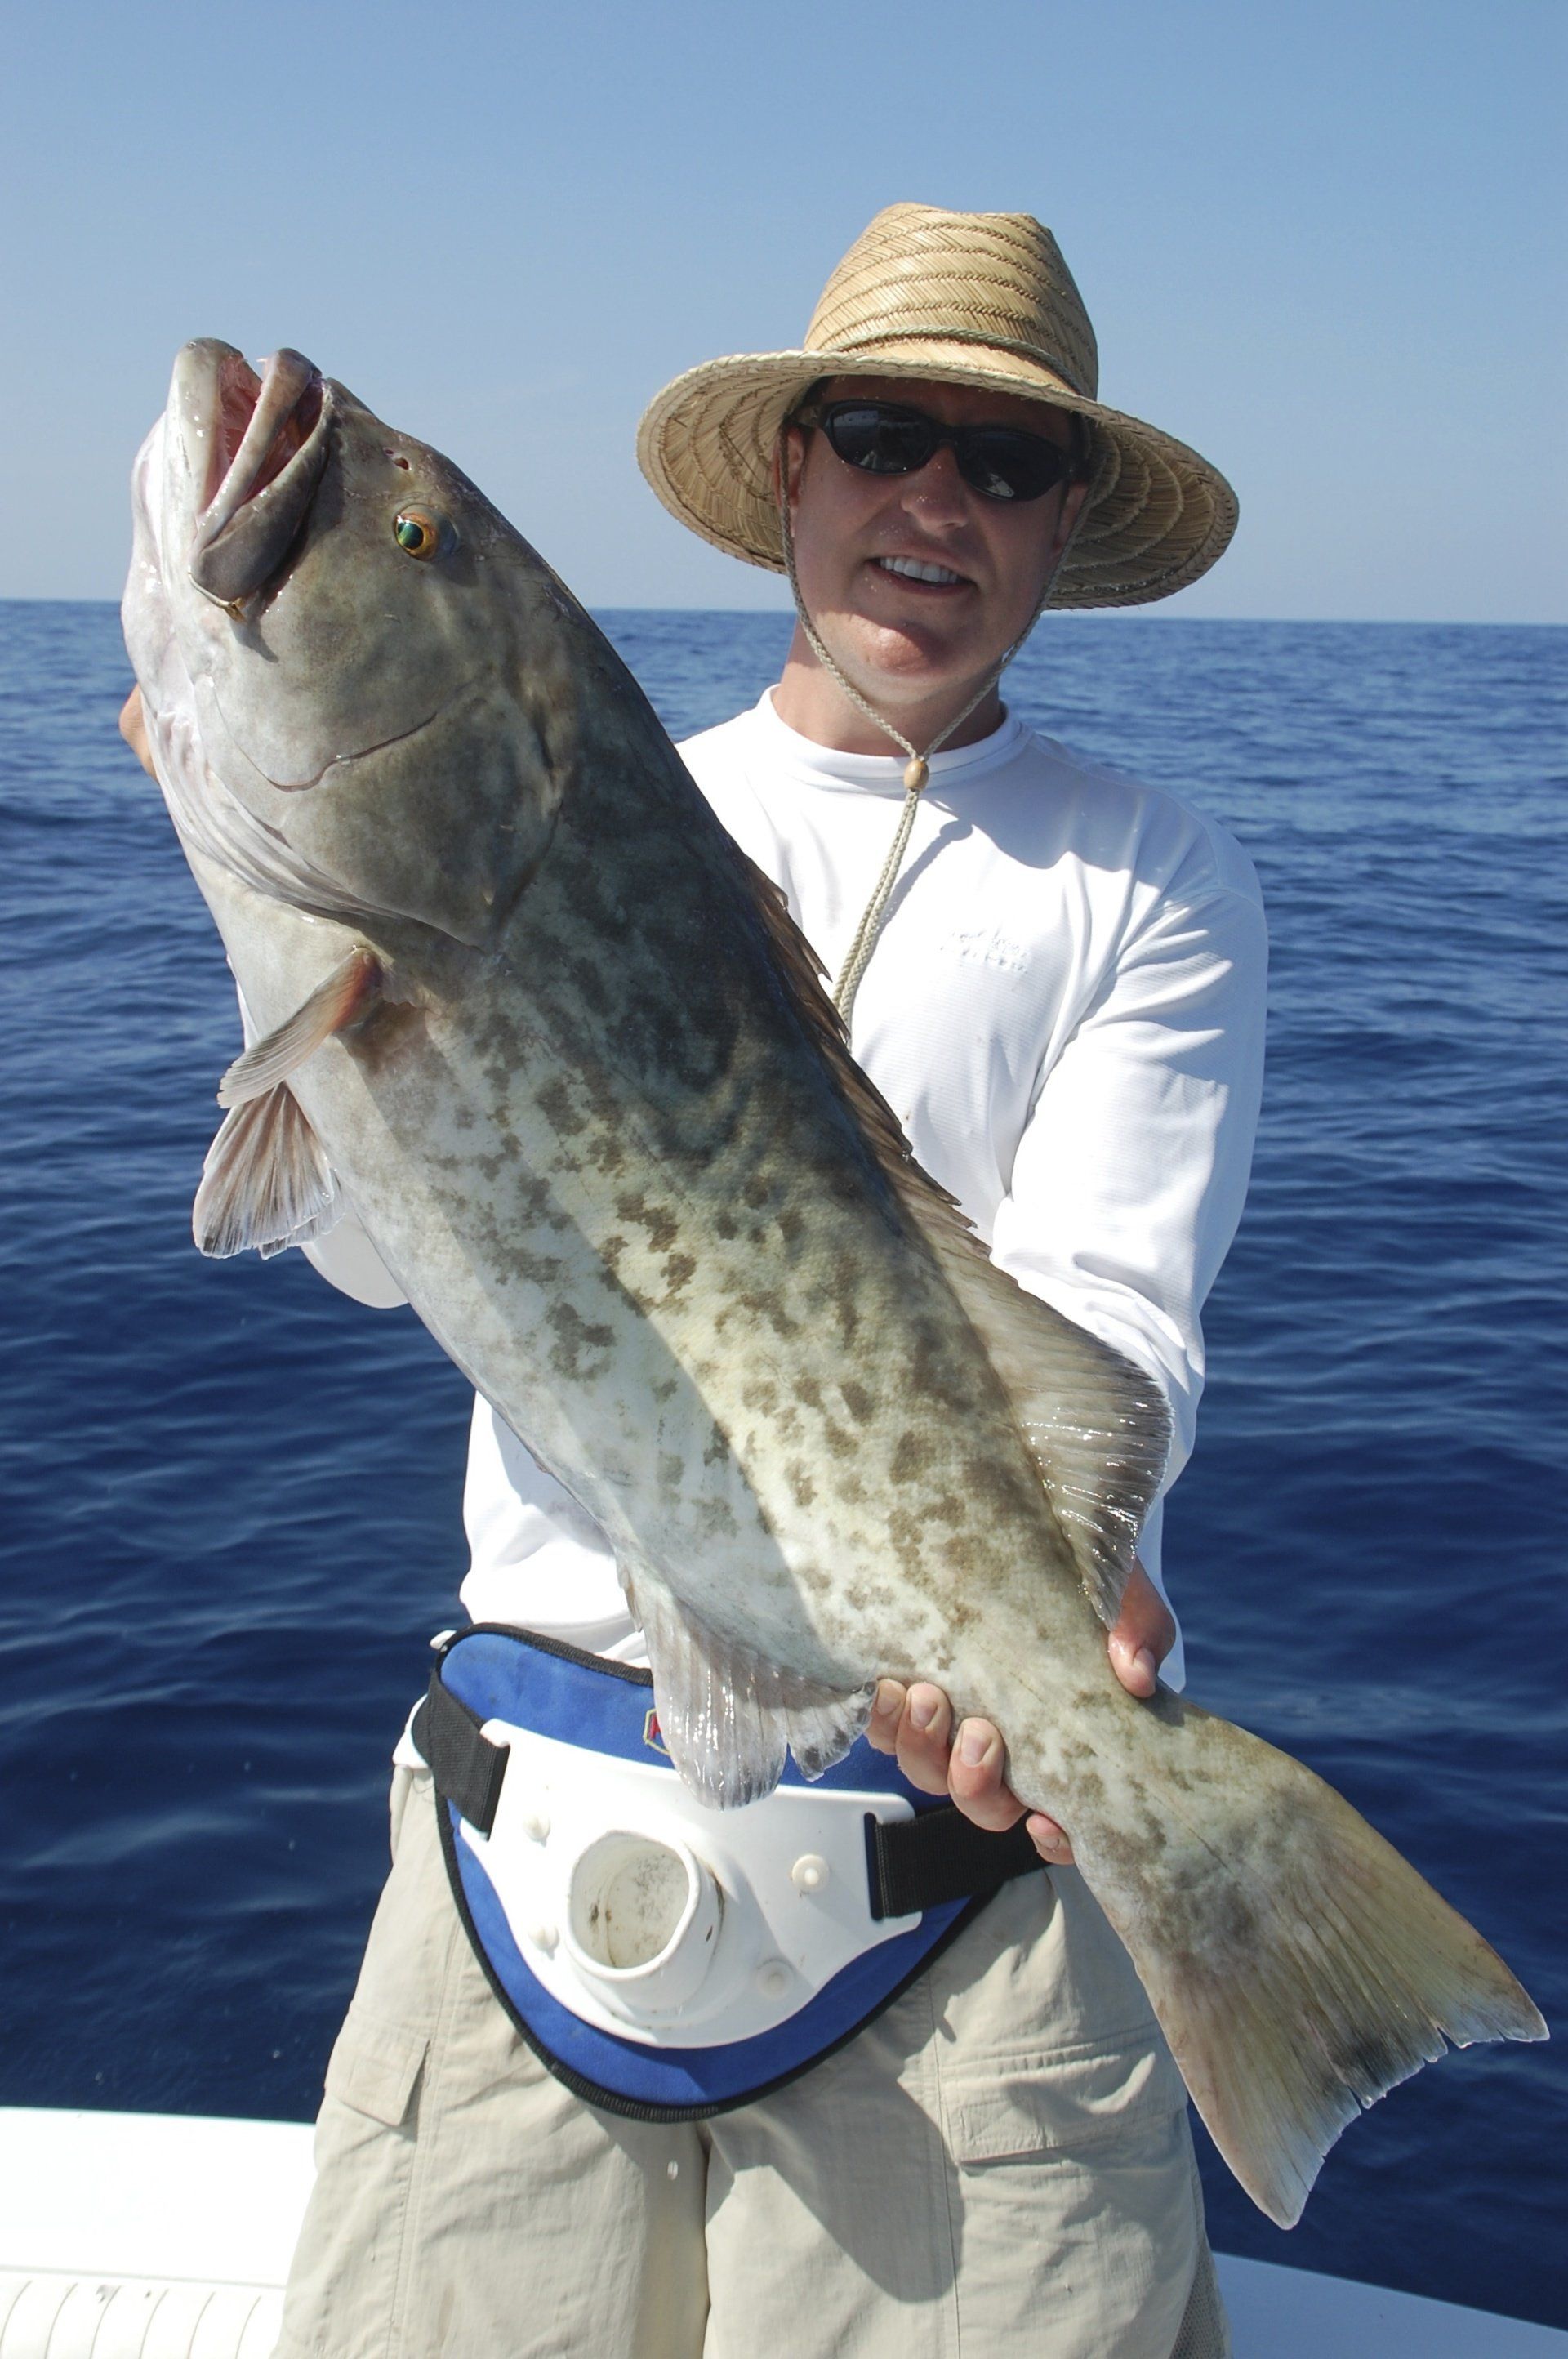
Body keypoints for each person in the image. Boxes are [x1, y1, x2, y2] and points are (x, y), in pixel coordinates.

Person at [122, 203, 1263, 2358]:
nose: (936, 500)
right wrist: (279, 929)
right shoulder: (618, 791)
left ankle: (1239, 1911)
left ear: (1064, 519)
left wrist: (1056, 1601)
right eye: (881, 437)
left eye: (1006, 459)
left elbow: (1117, 1317)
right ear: (795, 473)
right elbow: (368, 1257)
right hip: (522, 1820)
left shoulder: (1148, 872)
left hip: (961, 1875)